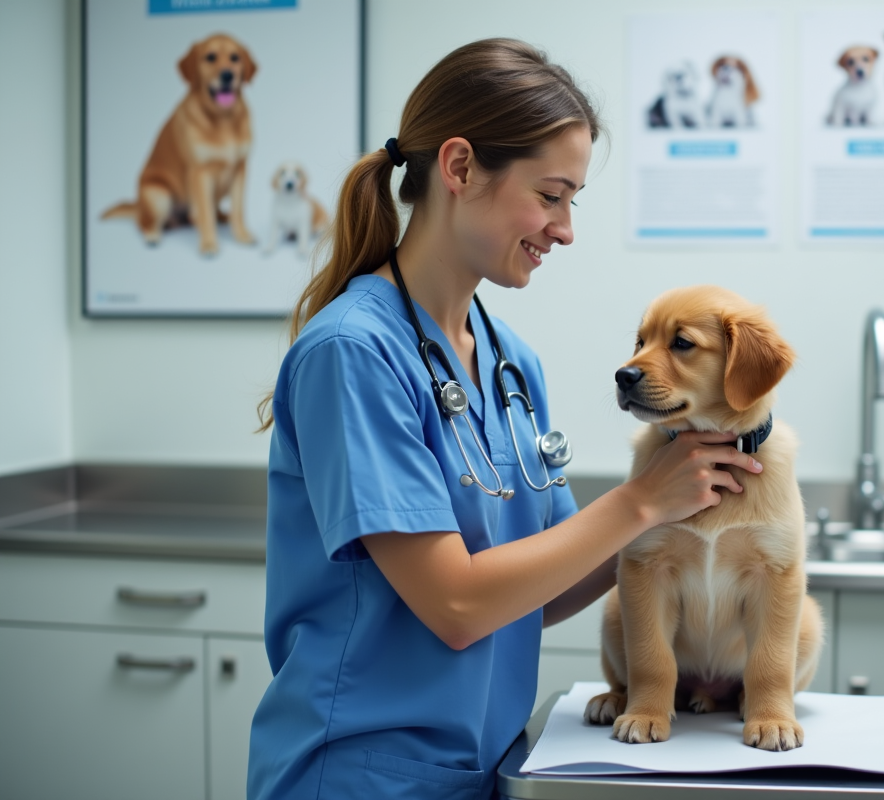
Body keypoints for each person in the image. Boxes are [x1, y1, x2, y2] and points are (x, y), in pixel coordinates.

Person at [246, 38, 765, 800]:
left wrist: (694, 508)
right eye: (550, 195)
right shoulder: (354, 354)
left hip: (484, 770)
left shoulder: (509, 360)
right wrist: (642, 501)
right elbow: (457, 604)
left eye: (571, 202)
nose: (564, 228)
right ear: (458, 168)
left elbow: (542, 588)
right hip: (357, 776)